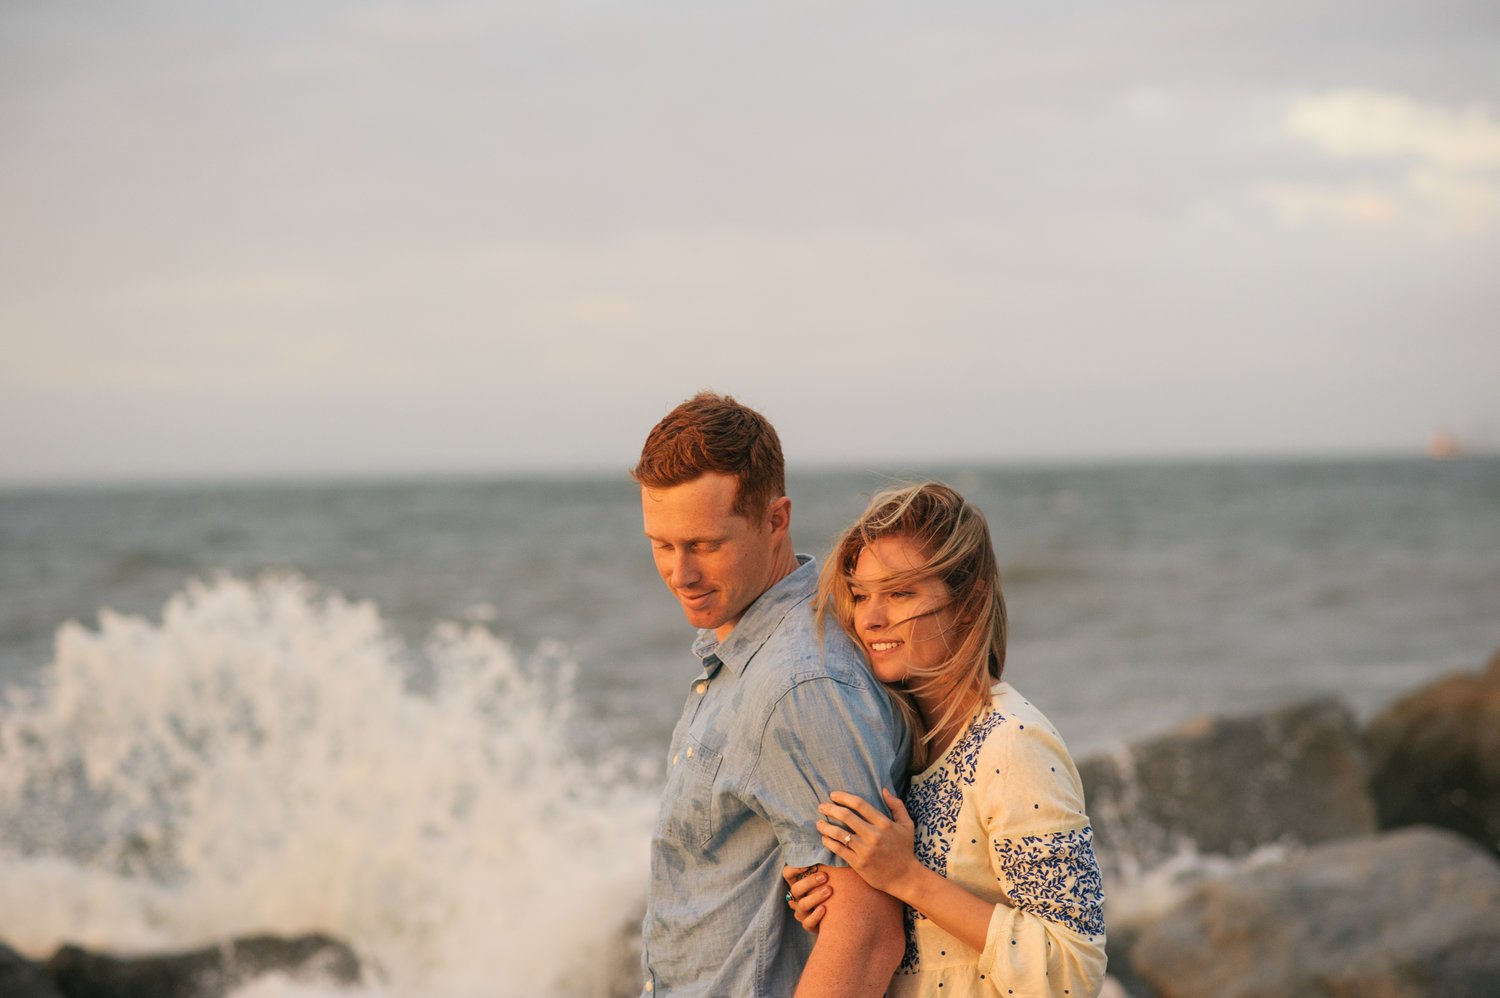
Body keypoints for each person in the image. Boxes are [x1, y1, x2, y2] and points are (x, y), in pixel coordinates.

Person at [632, 392, 911, 997]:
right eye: (662, 543)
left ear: (776, 519)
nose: (681, 573)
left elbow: (865, 934)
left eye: (705, 544)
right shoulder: (744, 651)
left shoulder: (798, 683)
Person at [784, 482, 1107, 997]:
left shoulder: (1013, 744)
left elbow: (1073, 970)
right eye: (862, 594)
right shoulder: (898, 740)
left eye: (901, 592)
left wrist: (905, 877)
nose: (870, 618)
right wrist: (835, 904)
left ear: (967, 601)